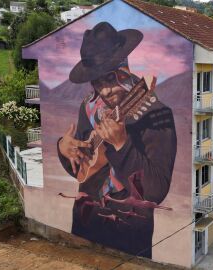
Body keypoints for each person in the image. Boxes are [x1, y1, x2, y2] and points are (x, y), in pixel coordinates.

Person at [57, 22, 177, 258]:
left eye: (110, 78)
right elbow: (81, 170)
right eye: (97, 82)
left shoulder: (155, 114)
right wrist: (64, 148)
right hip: (85, 224)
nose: (105, 91)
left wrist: (122, 145)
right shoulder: (89, 108)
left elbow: (155, 191)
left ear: (124, 68)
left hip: (128, 234)